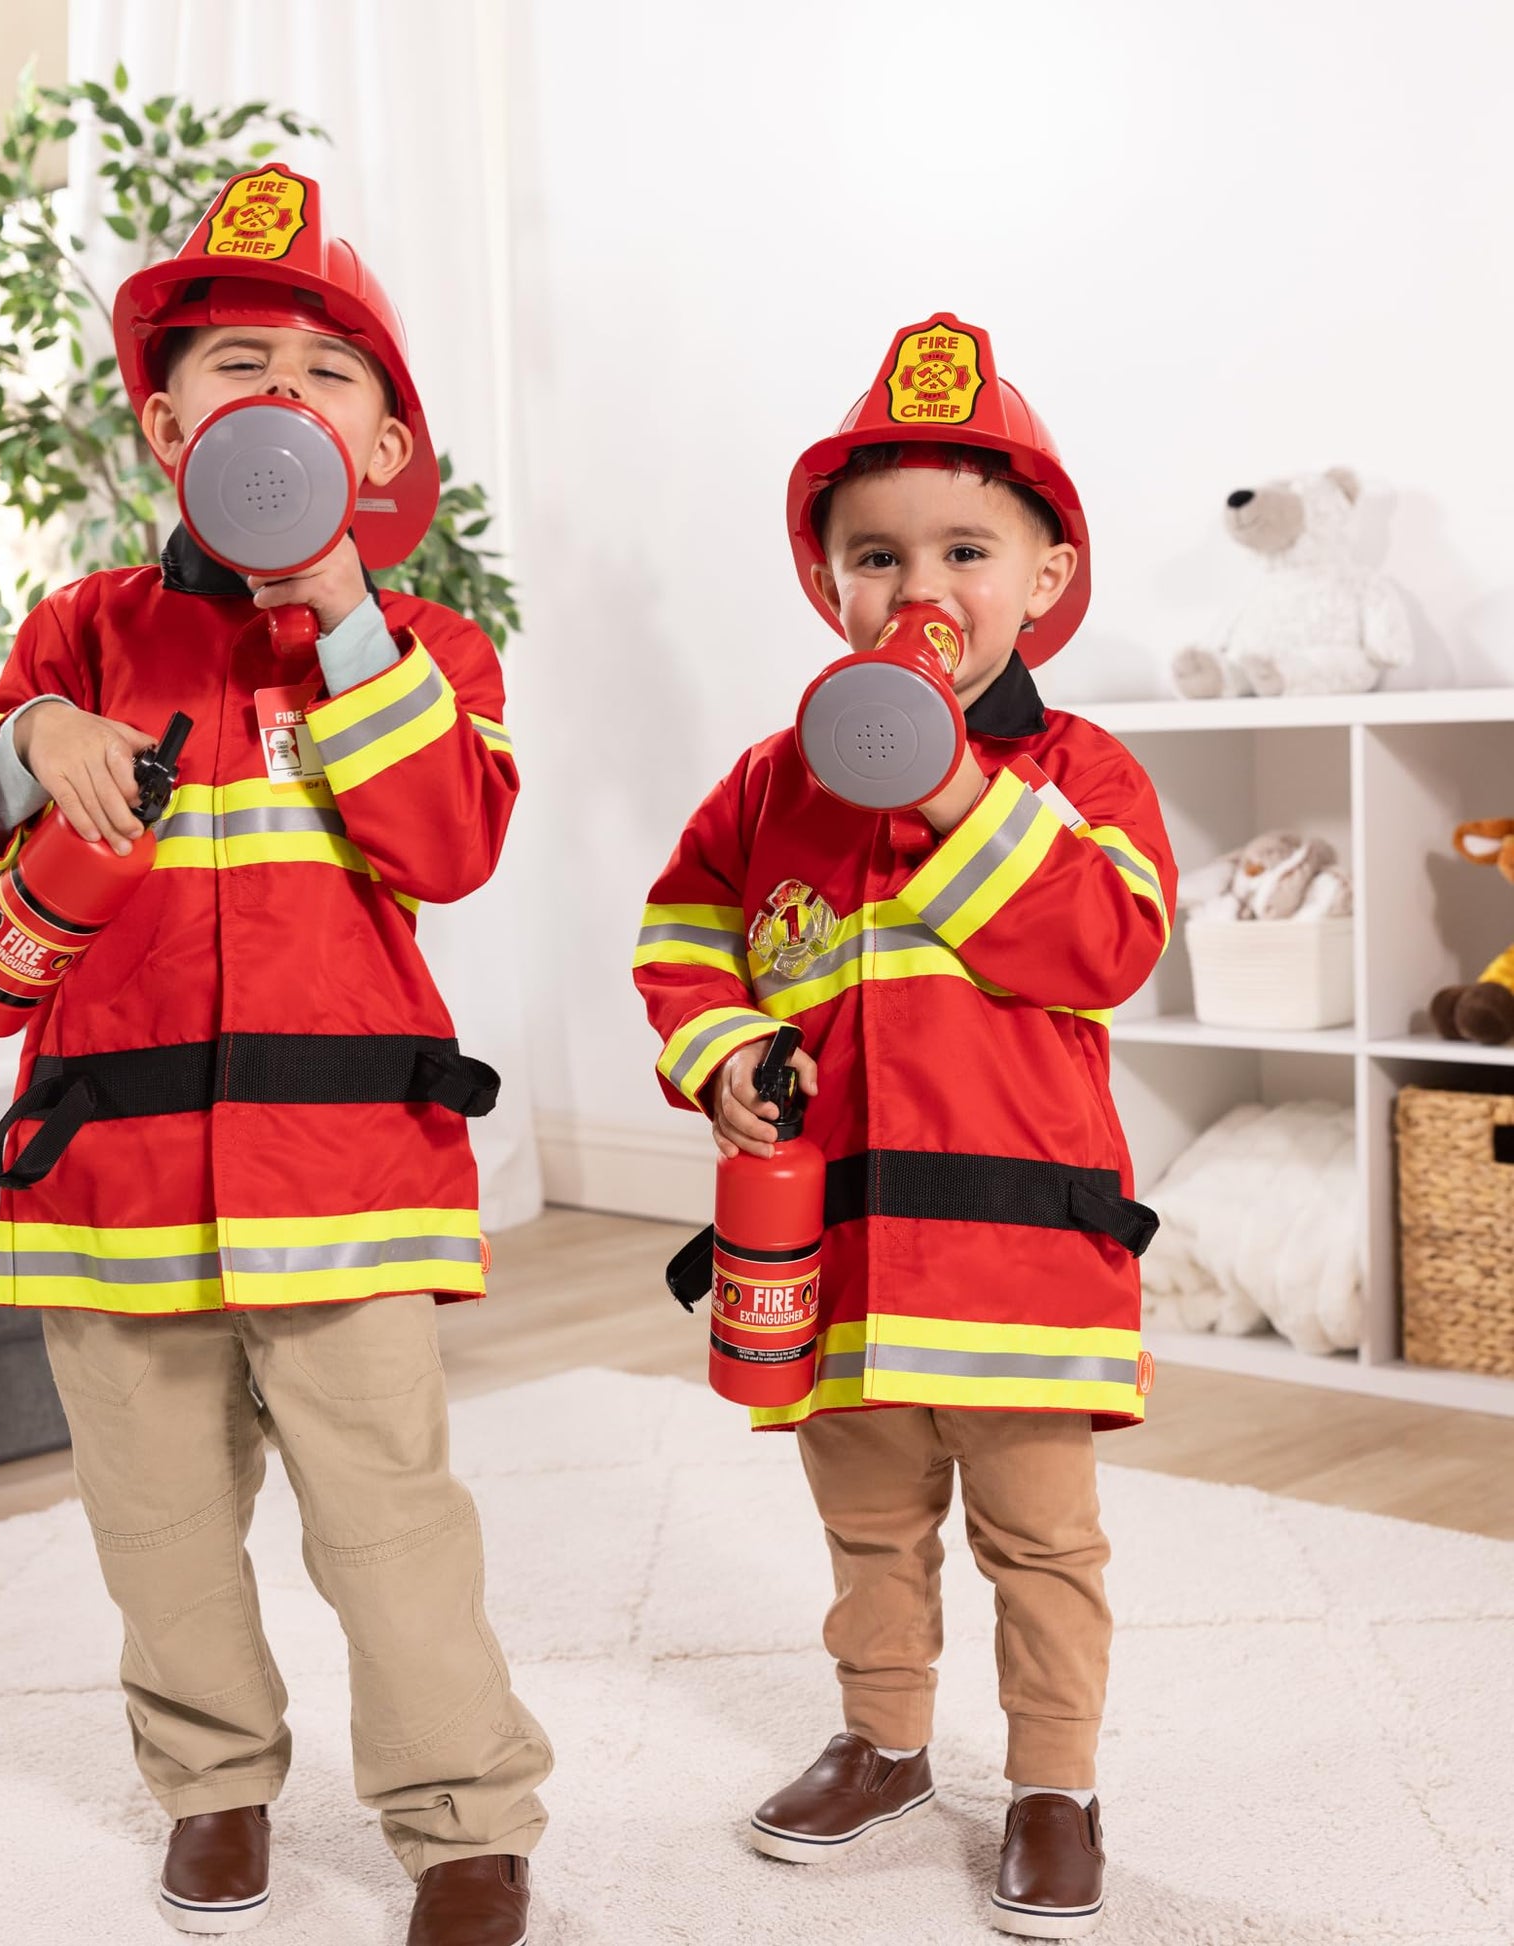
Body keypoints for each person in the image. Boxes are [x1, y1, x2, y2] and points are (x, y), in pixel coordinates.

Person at [0, 163, 548, 1946]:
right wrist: (34, 736)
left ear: (380, 447)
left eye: (327, 374)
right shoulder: (79, 631)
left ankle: (463, 1818)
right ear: (163, 421)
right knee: (159, 1524)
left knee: (388, 1517)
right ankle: (212, 1785)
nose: (281, 395)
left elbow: (448, 844)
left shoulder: (426, 646)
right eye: (237, 364)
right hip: (109, 1181)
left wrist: (343, 616)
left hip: (343, 1180)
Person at [633, 312, 1176, 1939]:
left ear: (1043, 578)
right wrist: (723, 1049)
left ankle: (1054, 1782)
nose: (917, 588)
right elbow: (682, 928)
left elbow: (1106, 944)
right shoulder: (769, 782)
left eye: (963, 551)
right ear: (830, 585)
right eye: (877, 556)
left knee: (1039, 1540)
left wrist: (948, 790)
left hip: (1021, 1258)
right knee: (865, 1520)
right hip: (835, 1250)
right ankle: (881, 1739)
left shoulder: (1079, 773)